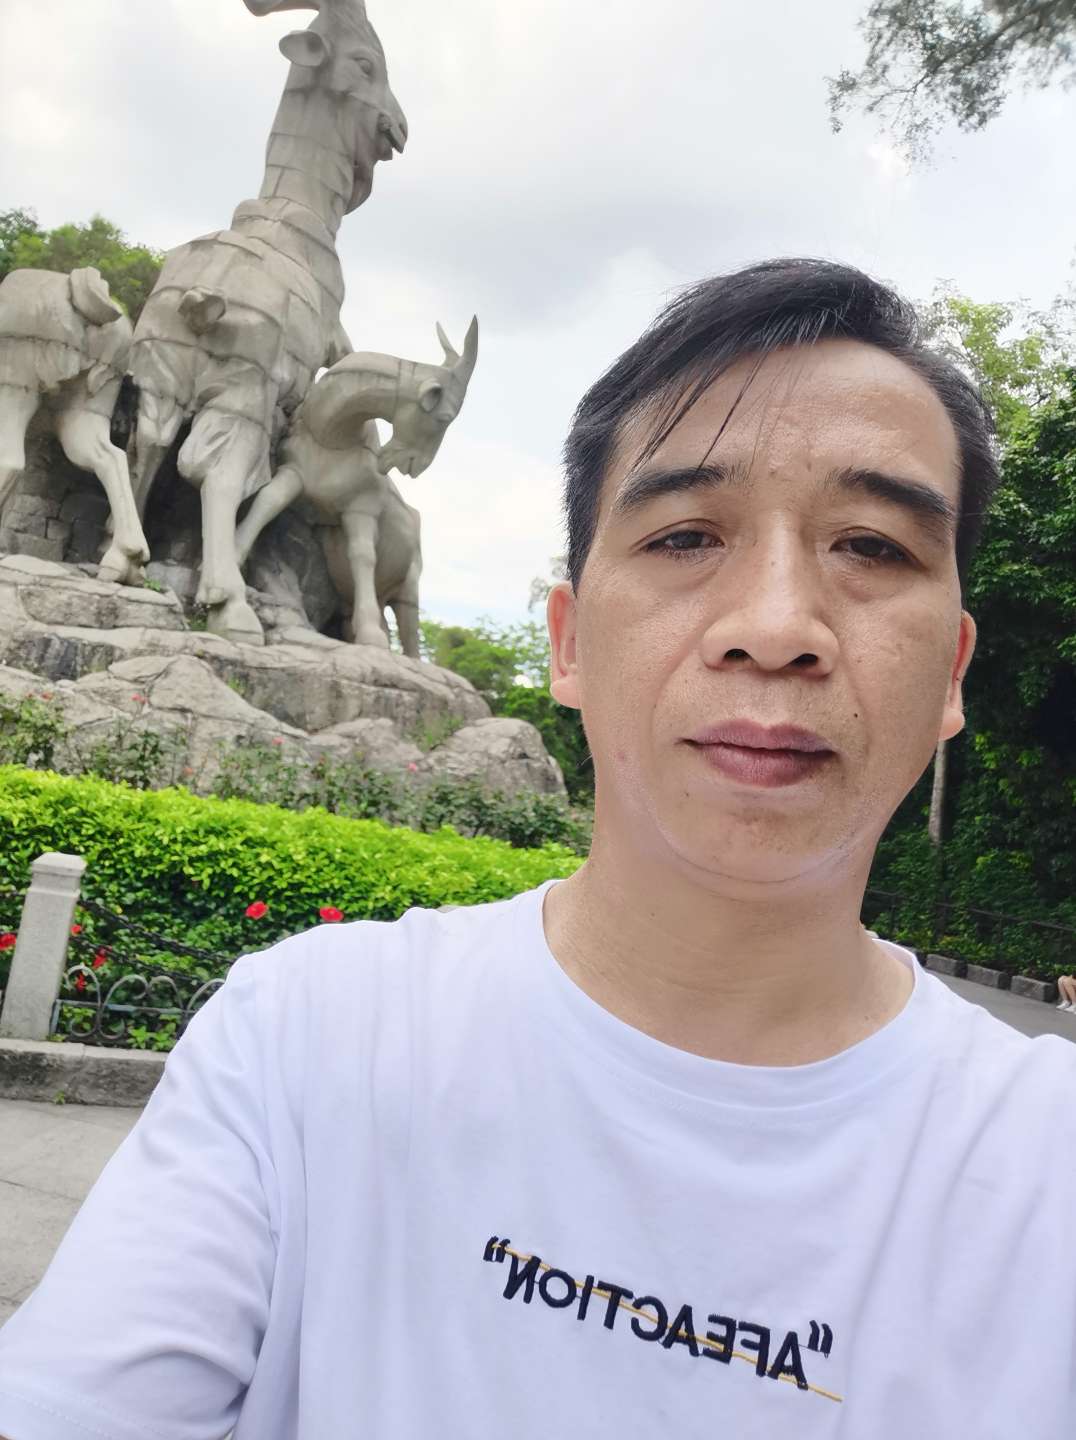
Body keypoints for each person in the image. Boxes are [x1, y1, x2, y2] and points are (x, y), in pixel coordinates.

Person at [1, 258, 1074, 1438]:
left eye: (870, 547)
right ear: (567, 643)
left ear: (951, 673)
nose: (775, 628)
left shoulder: (1045, 1165)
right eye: (685, 535)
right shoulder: (303, 1042)